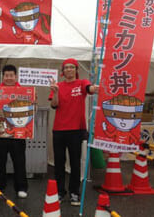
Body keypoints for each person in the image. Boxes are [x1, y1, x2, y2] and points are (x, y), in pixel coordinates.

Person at [49, 58, 98, 206]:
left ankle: (74, 193)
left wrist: (94, 88)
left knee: (75, 163)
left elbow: (89, 89)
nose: (69, 70)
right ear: (62, 71)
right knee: (59, 162)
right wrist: (56, 92)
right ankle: (59, 192)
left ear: (76, 70)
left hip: (76, 129)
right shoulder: (57, 85)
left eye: (72, 67)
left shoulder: (81, 83)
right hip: (59, 130)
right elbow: (54, 105)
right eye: (66, 68)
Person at [0, 64, 28, 198]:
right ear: (3, 76)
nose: (9, 78)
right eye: (6, 75)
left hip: (18, 132)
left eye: (11, 75)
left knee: (19, 161)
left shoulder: (23, 91)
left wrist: (33, 101)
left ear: (16, 76)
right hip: (0, 132)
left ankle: (21, 187)